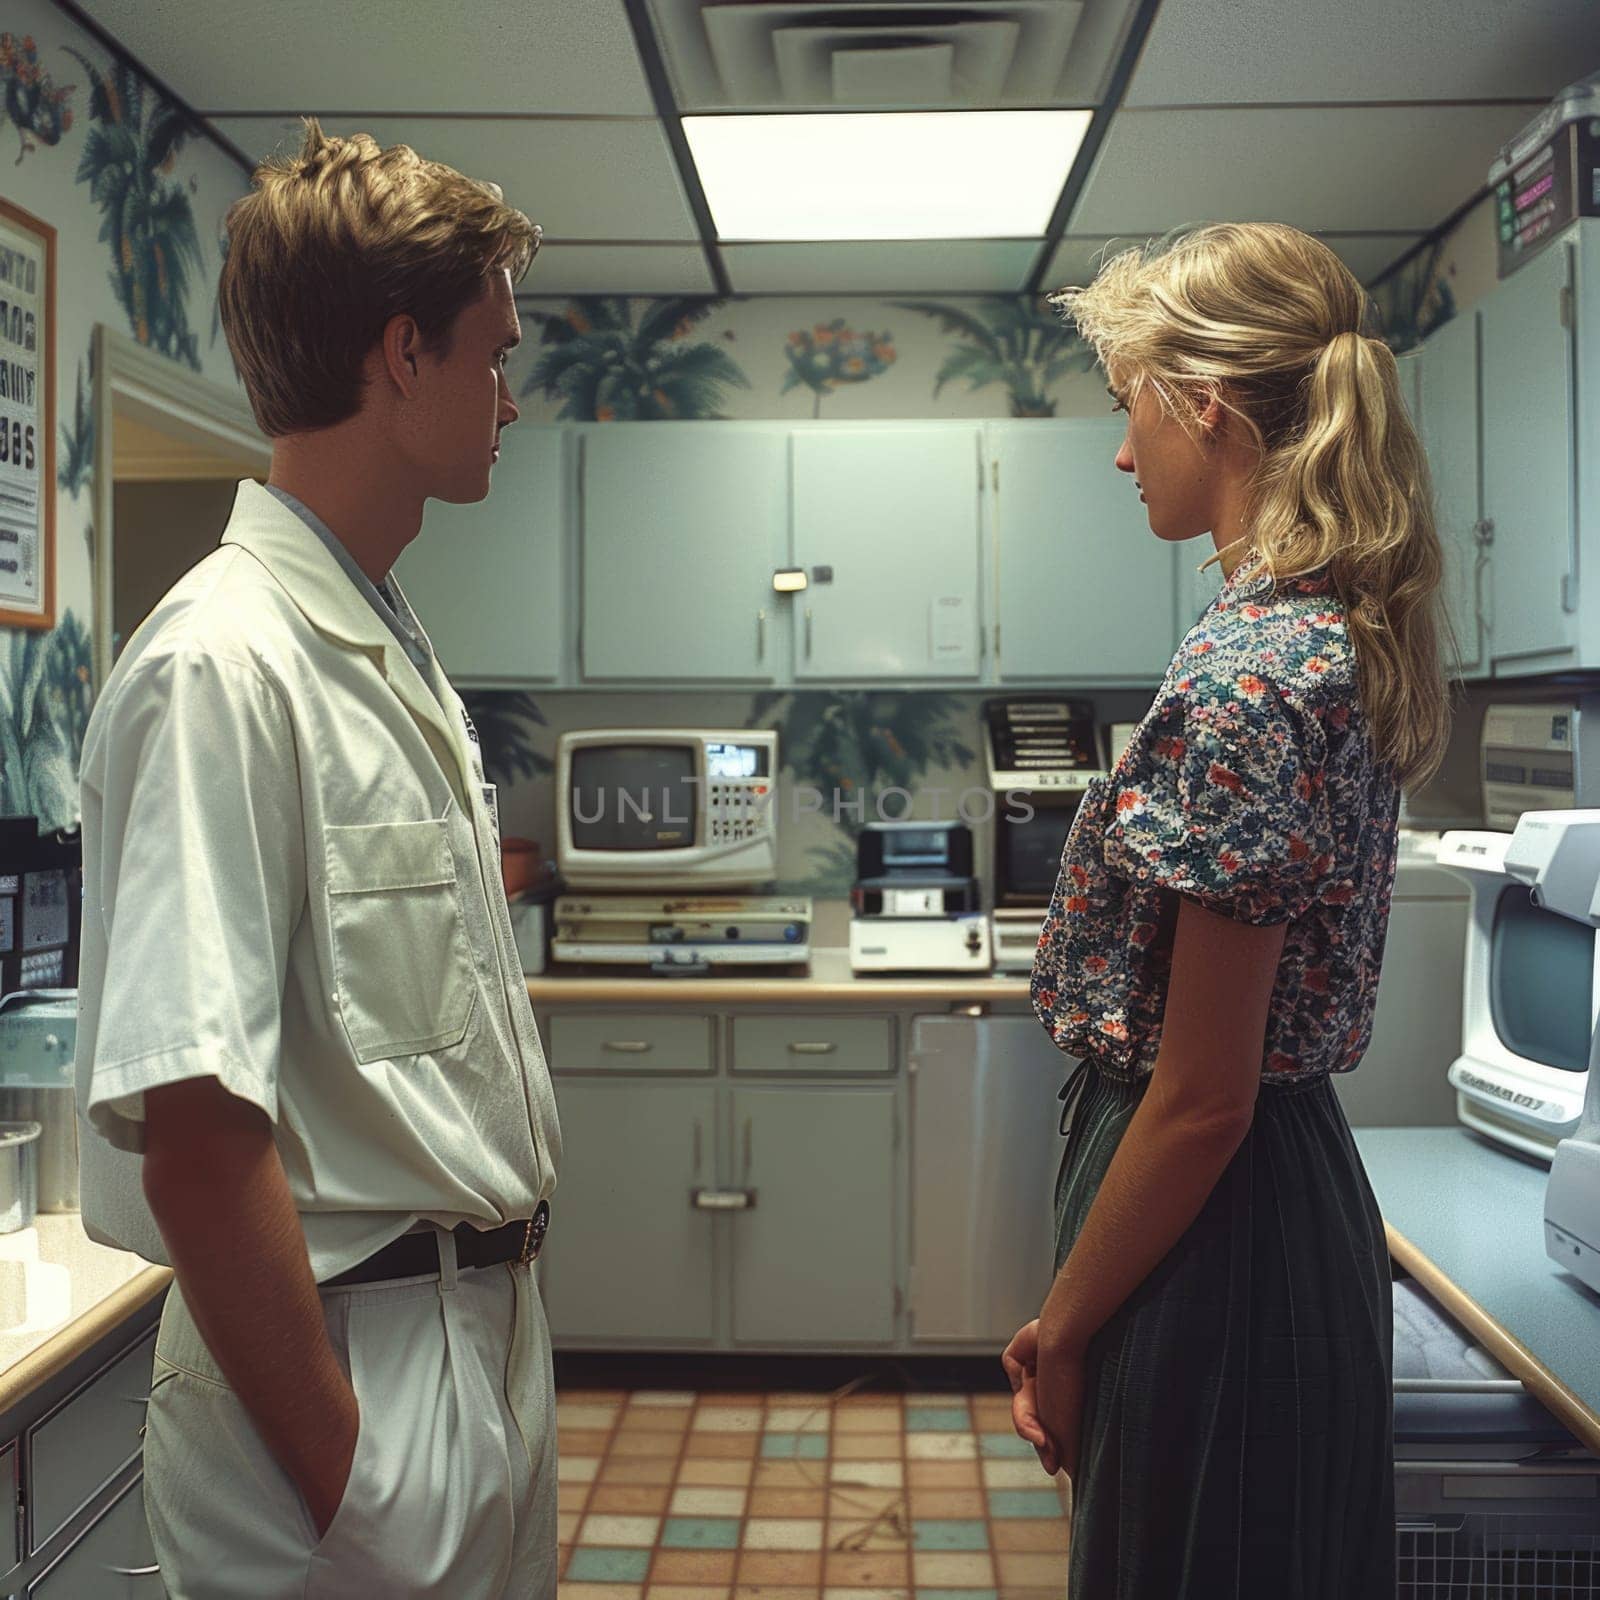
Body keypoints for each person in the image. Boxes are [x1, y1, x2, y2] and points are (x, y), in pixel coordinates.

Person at [73, 119, 561, 1598]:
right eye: (494, 354)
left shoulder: (380, 635)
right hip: (349, 1377)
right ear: (402, 353)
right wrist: (351, 1472)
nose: (510, 400)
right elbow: (196, 1133)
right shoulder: (223, 665)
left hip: (476, 1338)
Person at [1003, 222, 1450, 1598]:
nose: (1125, 453)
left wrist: (1062, 1329)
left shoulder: (1255, 673)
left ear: (1204, 405)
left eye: (1131, 409)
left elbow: (1202, 1096)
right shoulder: (1327, 633)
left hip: (1218, 1226)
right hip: (1267, 1196)